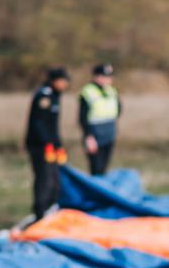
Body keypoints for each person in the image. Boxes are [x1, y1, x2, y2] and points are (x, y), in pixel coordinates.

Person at [24, 66, 70, 221]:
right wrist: (47, 145)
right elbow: (39, 124)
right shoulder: (44, 95)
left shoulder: (55, 96)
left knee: (55, 179)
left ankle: (51, 209)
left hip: (51, 145)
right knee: (44, 179)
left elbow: (53, 126)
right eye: (63, 81)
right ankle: (40, 212)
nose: (65, 85)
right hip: (40, 146)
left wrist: (59, 146)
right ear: (54, 81)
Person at [78, 62, 121, 176]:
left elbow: (118, 109)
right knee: (96, 168)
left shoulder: (111, 90)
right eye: (104, 76)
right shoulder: (88, 91)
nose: (108, 79)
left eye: (109, 76)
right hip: (94, 135)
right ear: (96, 76)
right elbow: (82, 117)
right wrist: (88, 136)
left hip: (109, 133)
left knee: (104, 169)